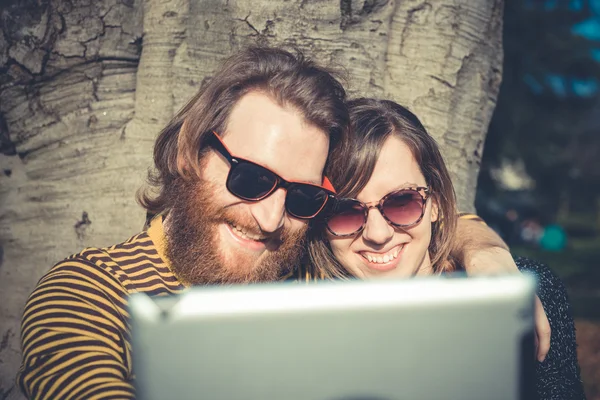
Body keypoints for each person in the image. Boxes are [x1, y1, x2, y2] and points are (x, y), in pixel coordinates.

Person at [17, 47, 543, 399]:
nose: (270, 219)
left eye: (302, 196)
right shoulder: (90, 292)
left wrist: (484, 249)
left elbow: (411, 222)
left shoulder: (304, 263)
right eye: (249, 179)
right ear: (192, 152)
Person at [307, 98, 585, 400]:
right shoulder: (304, 330)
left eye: (402, 202)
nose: (378, 234)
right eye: (346, 212)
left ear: (436, 203)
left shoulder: (525, 293)